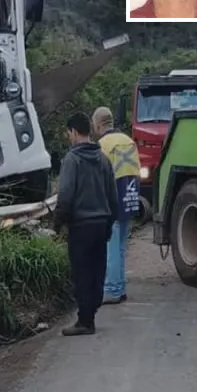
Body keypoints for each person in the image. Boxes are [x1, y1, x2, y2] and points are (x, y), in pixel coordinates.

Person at [52, 112, 119, 336]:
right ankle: (92, 308)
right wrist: (109, 222)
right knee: (97, 269)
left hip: (81, 225)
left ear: (73, 132)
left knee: (82, 271)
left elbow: (65, 195)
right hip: (101, 224)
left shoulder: (72, 160)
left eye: (68, 133)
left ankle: (85, 321)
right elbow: (113, 195)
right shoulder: (103, 159)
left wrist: (57, 224)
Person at [92, 106, 141, 305]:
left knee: (110, 249)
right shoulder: (129, 141)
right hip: (129, 198)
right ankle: (119, 288)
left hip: (111, 203)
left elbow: (99, 178)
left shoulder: (102, 145)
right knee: (119, 248)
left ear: (97, 125)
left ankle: (112, 289)